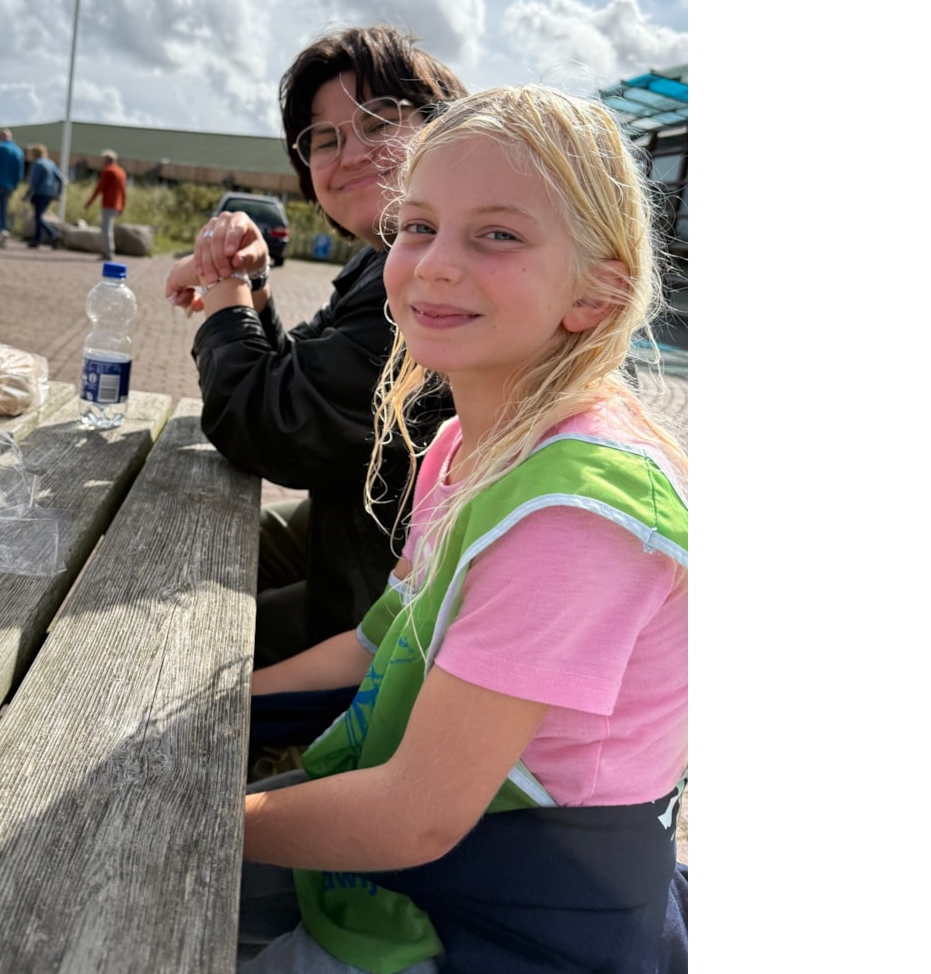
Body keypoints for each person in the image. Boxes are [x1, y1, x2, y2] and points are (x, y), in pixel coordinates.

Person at [236, 84, 689, 973]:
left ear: (597, 292)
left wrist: (188, 814)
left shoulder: (575, 515)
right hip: (427, 867)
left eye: (498, 235)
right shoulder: (465, 444)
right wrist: (214, 718)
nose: (436, 264)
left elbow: (415, 817)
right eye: (418, 226)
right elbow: (377, 645)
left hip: (507, 924)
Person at [163, 25, 465, 669]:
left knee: (176, 642)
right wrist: (253, 287)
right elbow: (298, 379)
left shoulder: (435, 284)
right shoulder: (377, 262)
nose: (349, 154)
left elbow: (266, 426)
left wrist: (222, 279)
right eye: (324, 139)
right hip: (353, 540)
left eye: (379, 121)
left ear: (444, 130)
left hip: (393, 620)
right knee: (172, 545)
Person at [84, 149, 127, 261]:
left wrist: (89, 202)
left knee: (106, 229)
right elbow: (123, 190)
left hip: (108, 204)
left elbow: (99, 188)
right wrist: (122, 205)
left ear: (107, 160)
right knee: (108, 228)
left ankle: (108, 253)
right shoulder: (121, 172)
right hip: (116, 204)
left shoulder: (108, 171)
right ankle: (109, 251)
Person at [0, 128, 24, 248]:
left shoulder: (0, 148)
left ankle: (0, 230)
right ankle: (3, 236)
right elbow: (19, 173)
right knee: (3, 210)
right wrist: (14, 186)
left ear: (1, 137)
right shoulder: (19, 151)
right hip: (10, 185)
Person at [24, 144, 64, 249]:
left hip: (40, 193)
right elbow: (61, 179)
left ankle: (53, 234)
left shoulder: (37, 164)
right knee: (39, 216)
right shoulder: (51, 163)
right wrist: (58, 193)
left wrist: (27, 195)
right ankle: (36, 240)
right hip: (50, 193)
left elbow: (34, 182)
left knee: (38, 217)